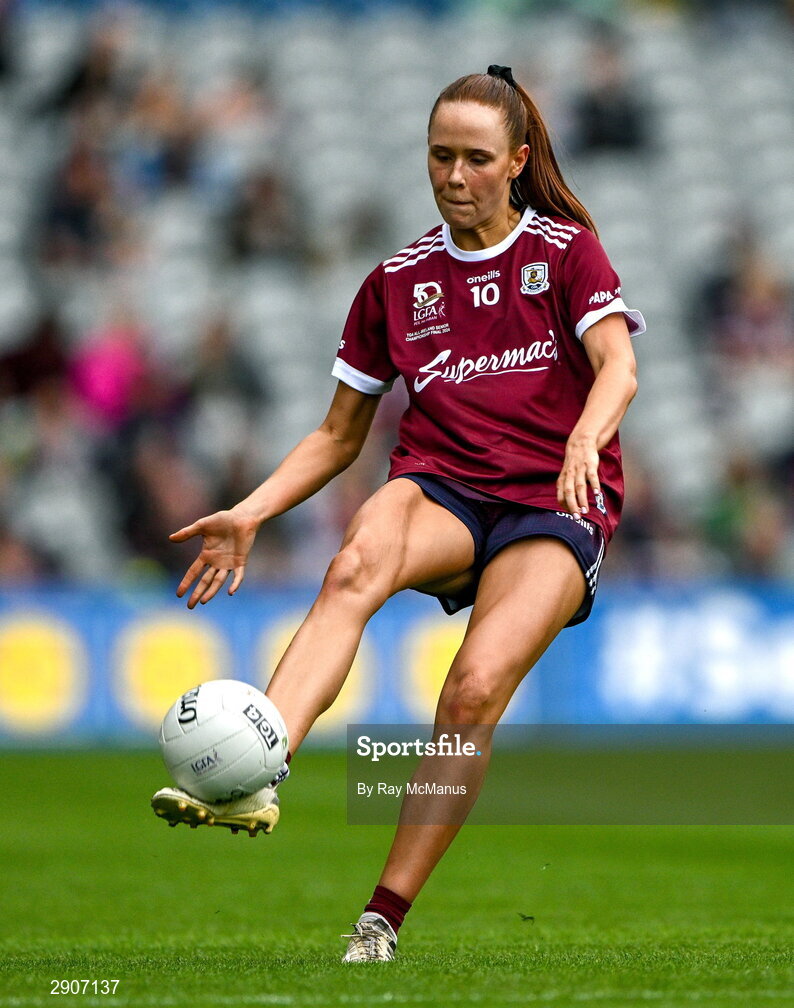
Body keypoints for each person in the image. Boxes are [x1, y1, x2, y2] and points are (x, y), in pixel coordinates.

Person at [151, 66, 645, 962]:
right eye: (440, 156)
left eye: (476, 160)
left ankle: (381, 917)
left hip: (553, 500)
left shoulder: (566, 253)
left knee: (470, 692)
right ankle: (257, 767)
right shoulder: (396, 283)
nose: (455, 177)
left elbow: (619, 366)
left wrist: (586, 438)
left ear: (518, 161)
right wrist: (251, 511)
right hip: (445, 486)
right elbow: (339, 435)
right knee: (353, 562)